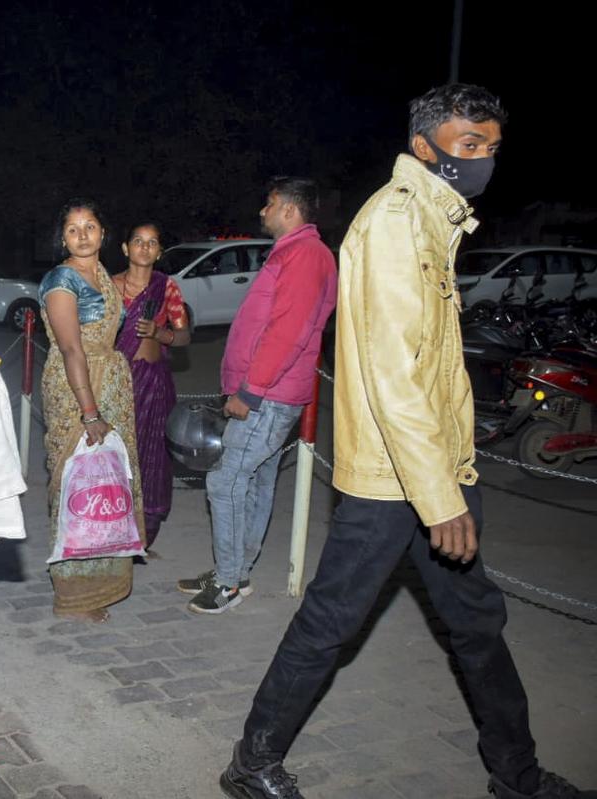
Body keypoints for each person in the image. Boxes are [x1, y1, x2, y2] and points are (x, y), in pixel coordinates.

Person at [219, 85, 594, 799]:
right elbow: (396, 375)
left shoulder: (432, 219)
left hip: (434, 471)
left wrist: (449, 480)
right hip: (393, 480)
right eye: (467, 145)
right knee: (332, 620)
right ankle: (252, 762)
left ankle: (516, 775)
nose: (482, 160)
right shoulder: (396, 223)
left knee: (477, 623)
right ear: (424, 147)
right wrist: (439, 497)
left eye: (491, 147)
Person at [180, 177, 337, 615]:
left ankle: (228, 583)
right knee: (253, 481)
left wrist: (251, 391)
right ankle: (235, 571)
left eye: (269, 204)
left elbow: (287, 332)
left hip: (268, 395)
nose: (262, 212)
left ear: (289, 209)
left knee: (226, 480)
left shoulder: (306, 255)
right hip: (269, 392)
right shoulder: (294, 252)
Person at [39, 198, 146, 623]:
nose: (82, 235)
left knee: (110, 484)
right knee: (76, 482)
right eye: (72, 229)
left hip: (111, 382)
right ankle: (74, 593)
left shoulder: (102, 275)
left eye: (89, 227)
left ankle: (107, 579)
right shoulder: (61, 280)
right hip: (76, 388)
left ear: (103, 233)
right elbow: (71, 349)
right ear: (62, 238)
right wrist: (89, 412)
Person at [110, 221, 190, 553]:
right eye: (138, 241)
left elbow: (183, 336)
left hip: (153, 385)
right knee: (116, 454)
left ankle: (145, 528)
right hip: (116, 383)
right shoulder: (109, 287)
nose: (144, 247)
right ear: (125, 248)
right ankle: (112, 524)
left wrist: (160, 333)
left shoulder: (166, 288)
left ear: (159, 252)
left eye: (152, 242)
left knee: (152, 455)